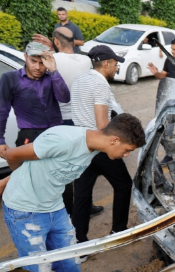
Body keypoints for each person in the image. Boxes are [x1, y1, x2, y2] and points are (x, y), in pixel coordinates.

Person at [0, 113, 145, 272]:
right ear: (114, 140)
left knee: (70, 266)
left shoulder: (93, 149)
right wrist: (15, 181)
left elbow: (44, 168)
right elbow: (13, 154)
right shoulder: (63, 139)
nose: (127, 156)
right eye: (127, 150)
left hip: (55, 208)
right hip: (25, 211)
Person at [70, 46, 133, 246]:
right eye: (115, 64)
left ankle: (79, 242)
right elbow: (102, 124)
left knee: (81, 194)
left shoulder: (79, 80)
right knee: (124, 184)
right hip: (100, 147)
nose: (116, 68)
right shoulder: (100, 85)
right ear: (106, 63)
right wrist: (118, 146)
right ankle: (118, 231)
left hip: (81, 145)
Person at [33, 27, 97, 217]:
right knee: (82, 166)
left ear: (56, 42)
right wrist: (54, 45)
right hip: (82, 121)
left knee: (63, 169)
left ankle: (67, 211)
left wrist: (50, 49)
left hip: (59, 121)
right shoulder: (86, 61)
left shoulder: (52, 60)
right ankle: (87, 207)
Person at [0, 43, 68, 157]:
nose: (37, 67)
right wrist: (0, 140)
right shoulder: (10, 78)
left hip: (56, 132)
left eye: (42, 63)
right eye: (33, 61)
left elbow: (65, 98)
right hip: (30, 134)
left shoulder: (51, 77)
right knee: (28, 172)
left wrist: (54, 71)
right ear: (25, 57)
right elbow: (2, 110)